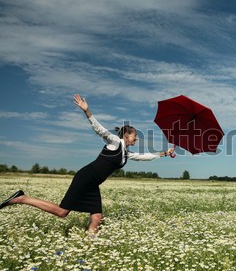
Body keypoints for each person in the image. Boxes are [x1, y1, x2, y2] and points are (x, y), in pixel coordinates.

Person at [0, 94, 174, 236]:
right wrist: (87, 112)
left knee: (97, 216)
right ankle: (22, 198)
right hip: (85, 178)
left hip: (93, 184)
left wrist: (164, 153)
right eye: (135, 135)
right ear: (126, 135)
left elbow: (143, 156)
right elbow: (100, 130)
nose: (136, 138)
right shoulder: (114, 142)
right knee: (62, 212)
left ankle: (89, 248)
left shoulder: (125, 152)